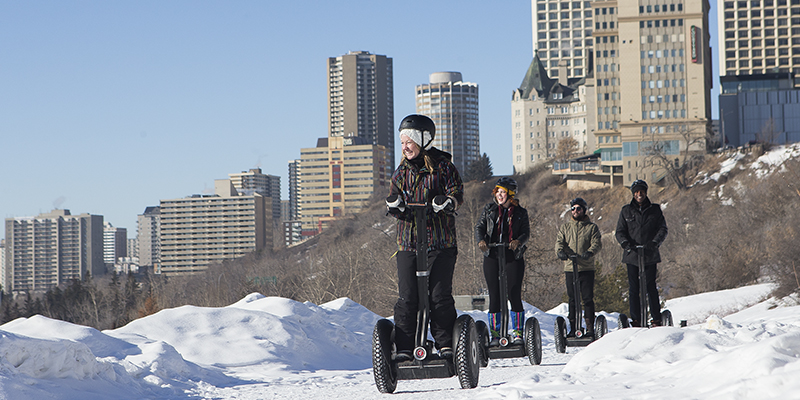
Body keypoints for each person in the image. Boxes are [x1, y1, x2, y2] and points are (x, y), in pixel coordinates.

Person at [385, 114, 464, 361]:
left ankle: (445, 345)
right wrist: (394, 205)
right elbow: (393, 198)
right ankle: (406, 348)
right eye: (402, 142)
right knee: (408, 298)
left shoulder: (444, 168)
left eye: (409, 141)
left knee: (438, 297)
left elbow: (456, 193)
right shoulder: (400, 173)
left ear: (424, 139)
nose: (405, 147)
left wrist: (447, 202)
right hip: (408, 244)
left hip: (440, 243)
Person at [474, 177, 529, 346]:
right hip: (492, 254)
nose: (499, 195)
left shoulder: (520, 213)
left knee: (513, 293)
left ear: (510, 194)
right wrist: (481, 241)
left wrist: (518, 241)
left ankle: (518, 332)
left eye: (503, 192)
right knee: (494, 296)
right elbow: (479, 227)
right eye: (497, 191)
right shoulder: (489, 209)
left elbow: (526, 233)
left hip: (512, 256)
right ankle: (496, 335)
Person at [615, 179, 668, 327]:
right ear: (633, 194)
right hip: (632, 255)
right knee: (634, 288)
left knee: (651, 286)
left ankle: (656, 319)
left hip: (649, 254)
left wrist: (654, 243)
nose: (639, 194)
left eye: (642, 192)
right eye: (637, 192)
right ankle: (636, 319)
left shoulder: (655, 210)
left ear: (646, 192)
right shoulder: (626, 210)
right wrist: (626, 244)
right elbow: (620, 232)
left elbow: (663, 229)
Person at [555, 197, 602, 338]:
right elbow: (559, 242)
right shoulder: (565, 227)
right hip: (570, 268)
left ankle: (589, 327)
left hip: (586, 267)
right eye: (573, 208)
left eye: (579, 208)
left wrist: (590, 252)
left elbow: (597, 243)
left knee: (587, 298)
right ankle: (574, 327)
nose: (576, 211)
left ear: (584, 210)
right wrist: (560, 252)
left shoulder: (591, 227)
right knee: (572, 299)